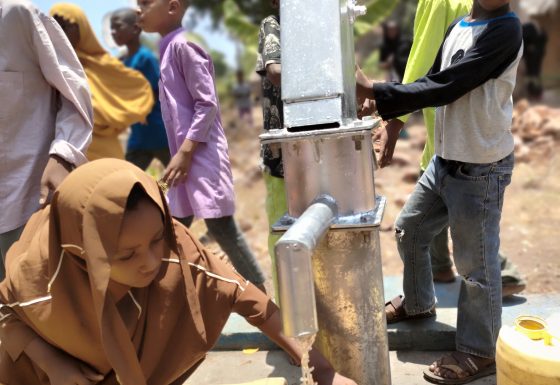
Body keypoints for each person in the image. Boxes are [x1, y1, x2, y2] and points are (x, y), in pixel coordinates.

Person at [0, 159, 357, 385]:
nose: (150, 261)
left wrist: (323, 371)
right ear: (81, 251)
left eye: (157, 238)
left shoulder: (177, 253)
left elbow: (250, 300)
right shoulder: (43, 272)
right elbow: (6, 311)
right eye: (126, 255)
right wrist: (51, 362)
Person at [356, 0, 522, 383]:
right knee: (410, 229)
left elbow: (449, 86)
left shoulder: (505, 30)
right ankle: (418, 303)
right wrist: (386, 106)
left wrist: (377, 90)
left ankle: (479, 352)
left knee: (476, 269)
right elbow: (431, 78)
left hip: (479, 167)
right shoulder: (460, 25)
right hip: (446, 159)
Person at [136, 0, 267, 292]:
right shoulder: (168, 47)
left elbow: (206, 104)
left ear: (172, 7)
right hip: (185, 158)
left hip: (200, 156)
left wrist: (185, 153)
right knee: (173, 226)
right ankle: (168, 298)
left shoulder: (184, 45)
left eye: (145, 2)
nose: (138, 9)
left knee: (220, 227)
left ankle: (263, 301)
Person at [0, 0, 93, 279]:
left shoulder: (17, 17)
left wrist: (63, 154)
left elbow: (73, 94)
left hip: (24, 200)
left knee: (33, 304)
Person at [50, 3, 154, 161]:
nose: (59, 32)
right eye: (53, 26)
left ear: (82, 28)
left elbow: (138, 89)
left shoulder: (105, 65)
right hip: (60, 154)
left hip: (105, 152)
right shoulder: (46, 64)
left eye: (65, 26)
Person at [110, 8, 171, 171]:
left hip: (159, 131)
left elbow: (154, 91)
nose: (113, 32)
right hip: (139, 135)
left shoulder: (146, 58)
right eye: (111, 29)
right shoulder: (122, 62)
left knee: (180, 181)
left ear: (135, 29)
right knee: (128, 182)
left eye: (117, 27)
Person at [256, 0, 288, 281]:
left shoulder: (314, 28)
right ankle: (287, 308)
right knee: (283, 231)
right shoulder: (273, 24)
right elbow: (276, 72)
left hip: (310, 144)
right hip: (280, 152)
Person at [522, 20, 547, 101]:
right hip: (534, 56)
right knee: (534, 74)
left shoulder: (528, 31)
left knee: (532, 74)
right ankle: (535, 93)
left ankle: (535, 93)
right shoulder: (538, 33)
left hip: (532, 57)